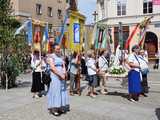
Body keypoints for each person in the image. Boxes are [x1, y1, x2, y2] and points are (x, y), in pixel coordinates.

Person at [47, 43, 69, 116]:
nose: (58, 50)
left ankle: (59, 106)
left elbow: (63, 65)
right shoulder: (51, 57)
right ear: (53, 49)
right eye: (57, 49)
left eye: (59, 49)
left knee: (62, 90)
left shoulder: (61, 57)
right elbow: (52, 68)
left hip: (62, 76)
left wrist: (65, 72)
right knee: (55, 91)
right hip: (55, 76)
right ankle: (54, 109)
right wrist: (60, 74)